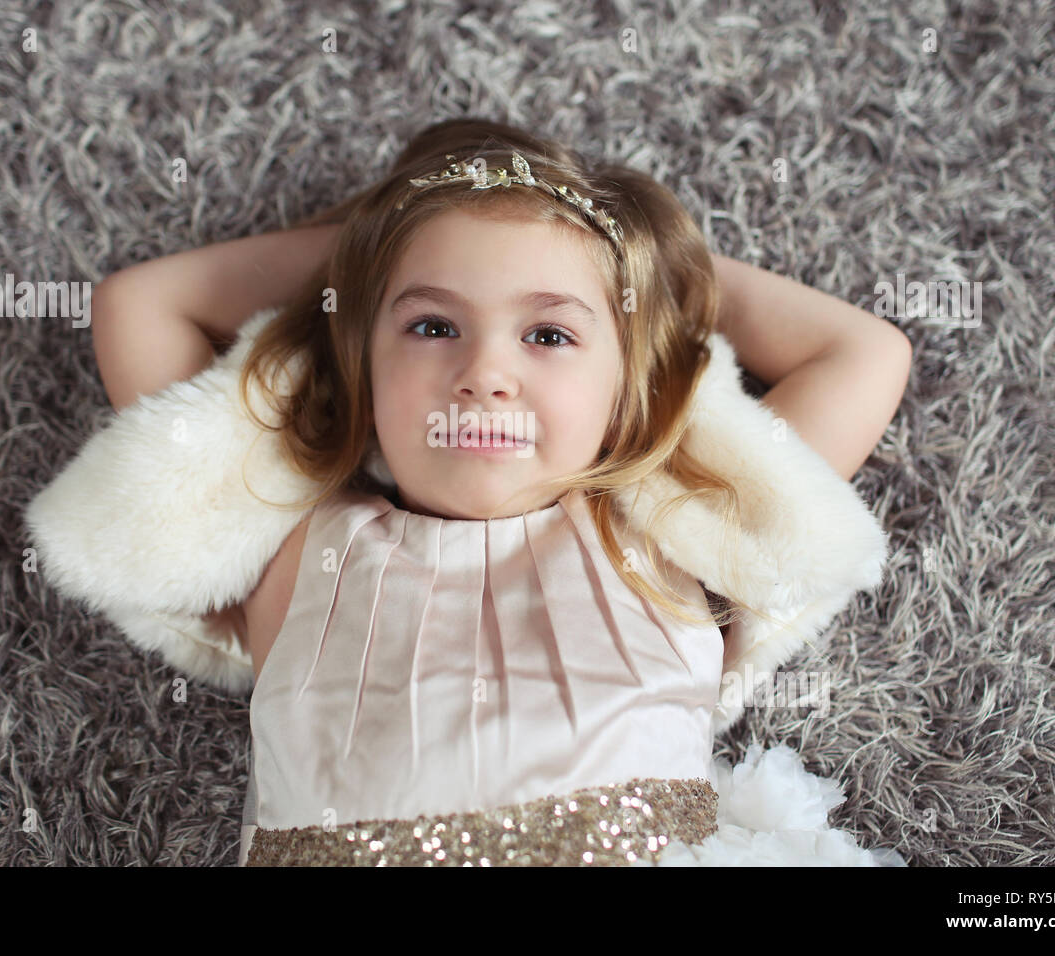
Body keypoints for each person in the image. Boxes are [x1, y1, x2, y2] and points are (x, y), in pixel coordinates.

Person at [87, 118, 912, 866]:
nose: (483, 374)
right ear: (360, 361)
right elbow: (140, 304)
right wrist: (379, 247)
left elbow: (862, 352)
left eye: (549, 333)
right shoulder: (292, 543)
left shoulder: (667, 527)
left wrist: (644, 260)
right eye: (432, 325)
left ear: (625, 383)